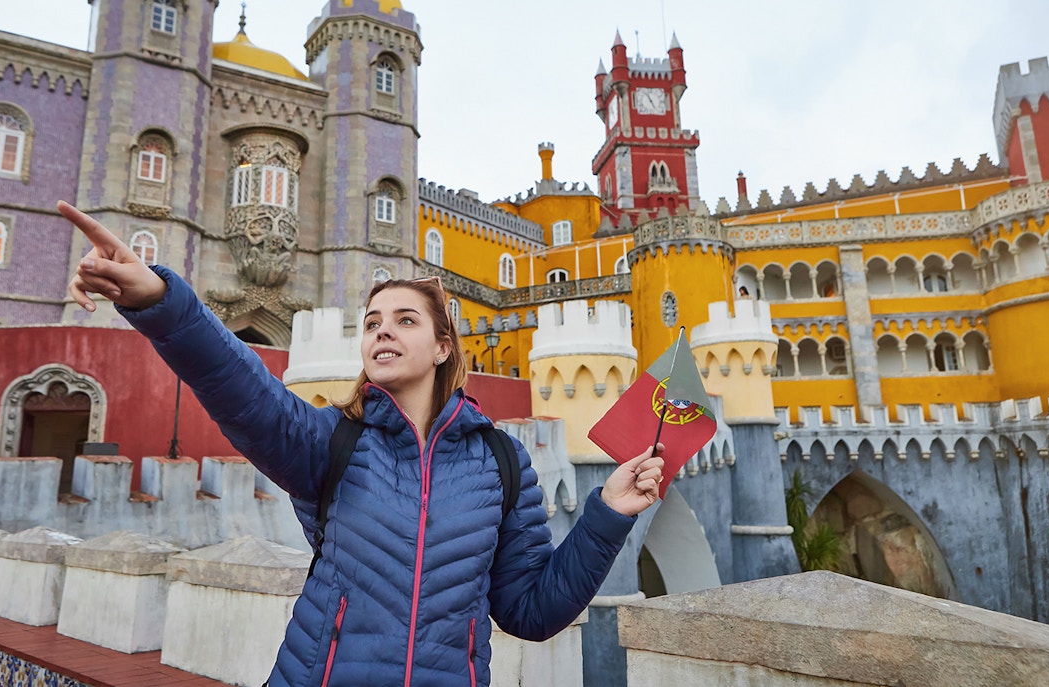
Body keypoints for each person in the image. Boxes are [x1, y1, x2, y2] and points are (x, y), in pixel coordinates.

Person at [61, 201, 665, 687]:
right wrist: (163, 302)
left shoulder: (503, 465)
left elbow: (531, 612)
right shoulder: (332, 443)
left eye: (406, 320)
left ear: (443, 346)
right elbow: (239, 387)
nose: (382, 330)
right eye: (373, 321)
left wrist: (607, 515)